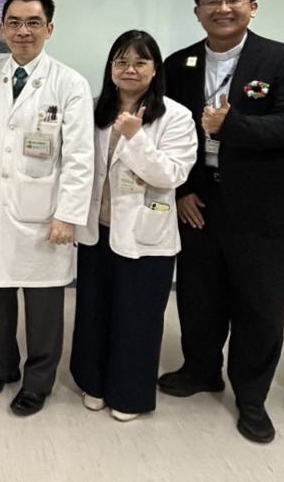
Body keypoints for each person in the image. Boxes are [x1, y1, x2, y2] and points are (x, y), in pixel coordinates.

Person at [160, 0, 284, 443]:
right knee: (198, 295)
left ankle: (251, 395)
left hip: (264, 204)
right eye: (212, 1)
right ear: (197, 11)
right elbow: (166, 132)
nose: (222, 9)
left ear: (252, 7)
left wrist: (233, 127)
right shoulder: (180, 63)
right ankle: (201, 369)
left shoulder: (283, 60)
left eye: (233, 0)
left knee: (259, 305)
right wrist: (182, 189)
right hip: (200, 198)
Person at [0, 0, 94, 417]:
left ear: (49, 29)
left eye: (33, 23)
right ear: (2, 29)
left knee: (43, 307)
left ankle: (38, 381)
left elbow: (80, 158)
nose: (23, 31)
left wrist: (68, 216)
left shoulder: (70, 83)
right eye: (15, 23)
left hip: (45, 214)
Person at [71, 30, 197, 421]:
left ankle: (129, 395)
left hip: (146, 236)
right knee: (93, 311)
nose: (130, 69)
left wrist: (136, 137)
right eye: (121, 61)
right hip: (97, 230)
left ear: (155, 69)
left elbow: (172, 174)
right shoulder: (93, 111)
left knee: (137, 319)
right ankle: (93, 383)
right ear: (110, 68)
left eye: (140, 62)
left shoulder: (175, 116)